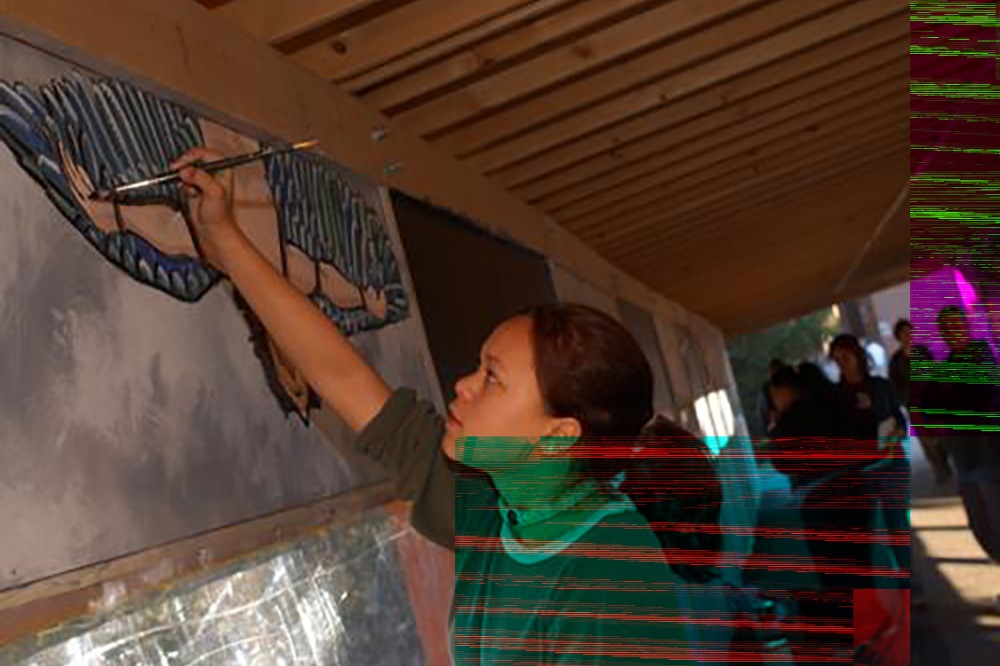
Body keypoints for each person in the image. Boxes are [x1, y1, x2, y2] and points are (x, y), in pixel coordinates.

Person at [170, 147, 694, 664]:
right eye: (477, 366)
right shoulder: (492, 504)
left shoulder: (612, 578)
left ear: (558, 434)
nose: (463, 384)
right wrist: (224, 235)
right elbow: (341, 375)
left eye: (493, 378)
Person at [829, 334, 907, 451]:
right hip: (862, 461)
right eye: (837, 360)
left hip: (891, 455)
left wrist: (899, 432)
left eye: (845, 357)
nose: (841, 364)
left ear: (857, 356)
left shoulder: (881, 386)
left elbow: (898, 416)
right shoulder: (836, 395)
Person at [888, 319, 911, 406]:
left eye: (909, 331)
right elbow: (895, 387)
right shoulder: (895, 361)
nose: (908, 335)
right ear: (899, 337)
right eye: (904, 333)